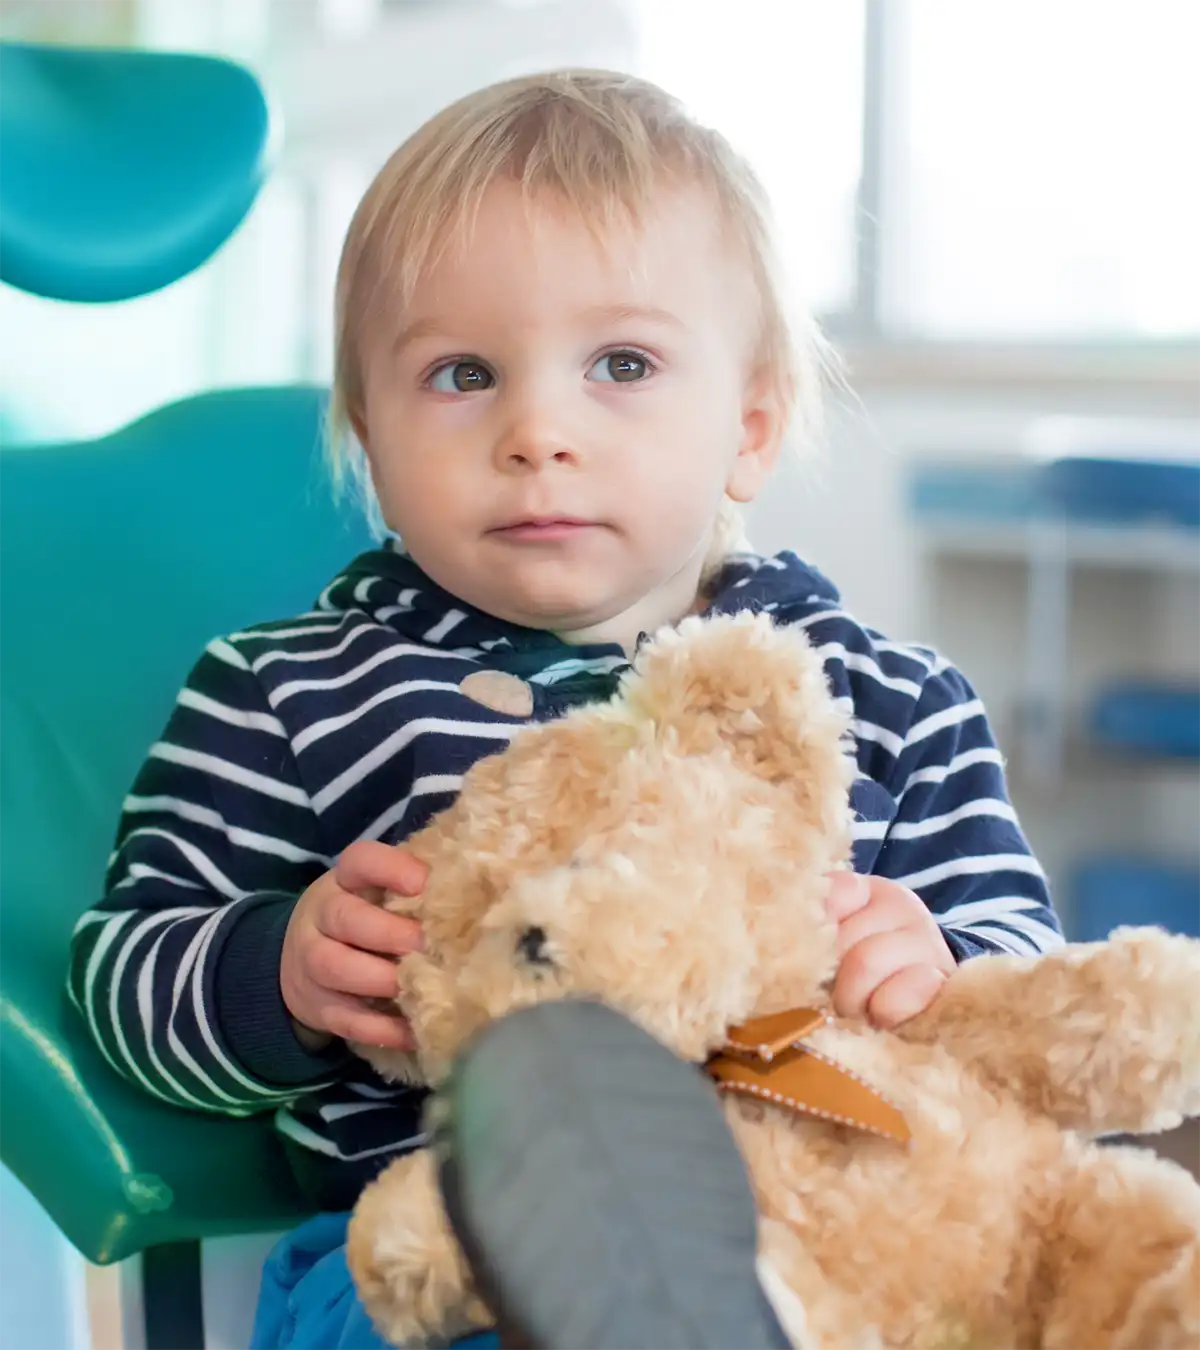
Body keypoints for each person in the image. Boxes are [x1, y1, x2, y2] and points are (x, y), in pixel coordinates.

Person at [67, 68, 1062, 1350]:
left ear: (751, 426)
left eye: (622, 364)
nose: (537, 430)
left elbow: (1032, 977)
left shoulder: (886, 700)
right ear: (370, 438)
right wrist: (284, 974)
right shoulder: (288, 695)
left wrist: (938, 963)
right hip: (446, 1256)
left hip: (841, 1241)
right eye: (463, 373)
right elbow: (124, 975)